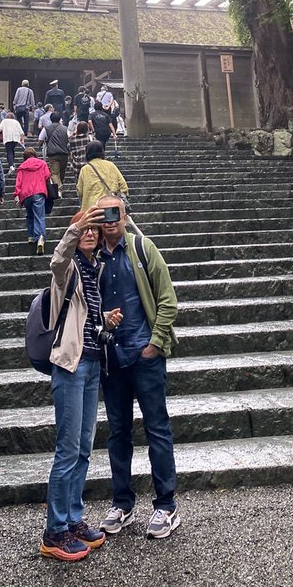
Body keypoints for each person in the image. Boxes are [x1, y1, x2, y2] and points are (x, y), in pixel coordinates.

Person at [96, 196, 181, 540]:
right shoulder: (93, 258)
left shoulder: (143, 249)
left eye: (116, 212)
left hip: (144, 355)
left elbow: (168, 299)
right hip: (112, 360)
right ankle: (122, 502)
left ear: (126, 215)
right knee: (117, 433)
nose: (111, 219)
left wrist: (156, 343)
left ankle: (166, 504)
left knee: (157, 428)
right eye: (104, 214)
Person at [40, 213, 123, 562]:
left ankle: (73, 520)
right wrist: (74, 229)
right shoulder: (69, 268)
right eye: (84, 228)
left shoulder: (95, 269)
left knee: (84, 449)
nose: (89, 233)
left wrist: (105, 319)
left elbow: (83, 316)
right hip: (70, 366)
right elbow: (57, 259)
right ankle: (54, 531)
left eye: (93, 228)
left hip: (91, 365)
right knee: (68, 449)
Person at [14, 146, 51, 254]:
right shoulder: (42, 163)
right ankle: (40, 237)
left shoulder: (22, 167)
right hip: (38, 193)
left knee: (30, 215)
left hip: (26, 195)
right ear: (35, 154)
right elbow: (47, 176)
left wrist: (17, 195)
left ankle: (31, 235)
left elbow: (18, 183)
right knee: (39, 216)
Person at [76, 142, 128, 213]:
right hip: (110, 206)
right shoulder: (111, 165)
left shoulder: (85, 169)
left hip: (91, 209)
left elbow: (80, 191)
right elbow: (123, 186)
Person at [44, 112, 70, 191]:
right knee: (62, 171)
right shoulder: (65, 128)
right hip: (64, 153)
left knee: (55, 173)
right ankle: (59, 187)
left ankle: (59, 188)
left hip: (53, 154)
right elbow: (69, 138)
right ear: (59, 119)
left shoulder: (46, 128)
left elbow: (40, 139)